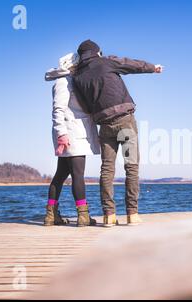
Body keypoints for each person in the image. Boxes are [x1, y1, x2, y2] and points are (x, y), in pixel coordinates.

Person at [72, 39, 163, 227]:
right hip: (124, 121)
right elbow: (130, 64)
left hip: (104, 126)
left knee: (107, 170)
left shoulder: (78, 77)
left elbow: (85, 106)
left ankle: (109, 215)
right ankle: (132, 213)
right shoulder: (105, 62)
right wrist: (153, 68)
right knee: (131, 166)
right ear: (97, 52)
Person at [43, 53, 101, 227]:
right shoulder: (63, 82)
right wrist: (62, 134)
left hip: (72, 134)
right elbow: (58, 110)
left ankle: (51, 215)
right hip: (70, 135)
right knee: (77, 174)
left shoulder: (70, 80)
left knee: (61, 175)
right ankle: (83, 216)